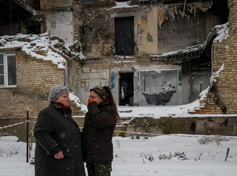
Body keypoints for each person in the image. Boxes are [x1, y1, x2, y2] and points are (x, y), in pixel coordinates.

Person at [34, 85, 86, 176]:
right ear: (55, 99)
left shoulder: (63, 114)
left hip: (68, 164)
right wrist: (55, 150)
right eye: (64, 97)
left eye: (68, 97)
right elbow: (40, 132)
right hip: (55, 165)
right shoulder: (48, 113)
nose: (68, 99)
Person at [82, 86, 120, 176]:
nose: (90, 99)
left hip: (102, 158)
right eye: (89, 97)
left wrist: (92, 106)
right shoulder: (92, 112)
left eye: (93, 97)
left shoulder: (110, 111)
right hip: (91, 157)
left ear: (103, 98)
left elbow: (99, 122)